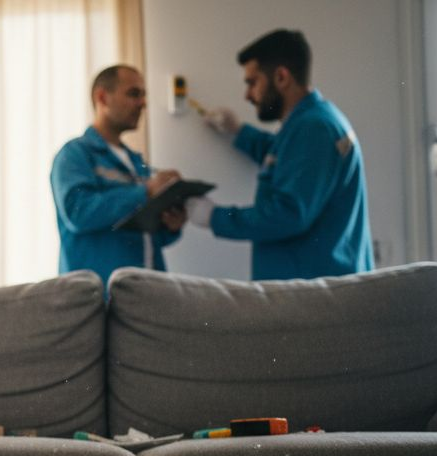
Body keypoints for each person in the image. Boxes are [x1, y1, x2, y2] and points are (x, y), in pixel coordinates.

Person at [188, 29, 373, 280]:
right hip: (315, 287)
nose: (248, 95)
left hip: (312, 297)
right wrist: (238, 131)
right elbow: (282, 156)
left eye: (252, 83)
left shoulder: (314, 128)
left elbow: (287, 214)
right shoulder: (312, 121)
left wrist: (214, 217)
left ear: (282, 77)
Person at [51, 65, 187, 287]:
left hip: (149, 293)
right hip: (97, 300)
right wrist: (147, 191)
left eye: (144, 95)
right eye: (134, 94)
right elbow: (79, 212)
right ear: (102, 98)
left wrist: (171, 225)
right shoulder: (75, 155)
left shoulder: (137, 164)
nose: (143, 103)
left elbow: (146, 237)